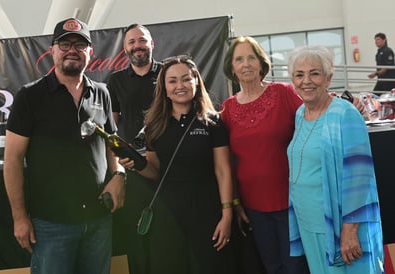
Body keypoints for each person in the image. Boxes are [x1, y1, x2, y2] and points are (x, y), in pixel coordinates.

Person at [3, 18, 125, 274]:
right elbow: (12, 159)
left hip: (98, 220)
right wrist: (19, 217)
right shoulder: (30, 96)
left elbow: (111, 144)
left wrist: (118, 175)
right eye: (65, 44)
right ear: (53, 50)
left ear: (90, 53)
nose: (72, 50)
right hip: (51, 225)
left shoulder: (101, 92)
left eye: (80, 45)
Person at [120, 56, 236, 274]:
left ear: (196, 82)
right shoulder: (154, 125)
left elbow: (223, 171)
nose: (180, 86)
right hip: (168, 216)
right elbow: (155, 172)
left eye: (186, 79)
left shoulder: (213, 122)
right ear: (164, 87)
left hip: (207, 214)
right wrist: (136, 164)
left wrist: (227, 215)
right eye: (172, 81)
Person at [287, 45, 384, 273]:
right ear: (293, 80)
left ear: (328, 78)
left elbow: (361, 178)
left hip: (341, 226)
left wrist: (349, 232)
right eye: (300, 75)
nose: (306, 81)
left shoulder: (345, 113)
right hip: (309, 223)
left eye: (315, 73)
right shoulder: (300, 113)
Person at [221, 36, 310, 274]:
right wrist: (236, 201)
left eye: (251, 57)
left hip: (293, 201)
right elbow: (228, 161)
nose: (246, 64)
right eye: (239, 59)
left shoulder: (283, 93)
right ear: (231, 67)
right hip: (254, 208)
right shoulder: (228, 109)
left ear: (261, 63)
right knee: (272, 267)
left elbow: (313, 122)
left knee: (296, 268)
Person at [106, 23, 162, 274]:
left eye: (142, 40)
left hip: (167, 164)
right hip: (131, 167)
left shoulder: (168, 73)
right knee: (136, 235)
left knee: (167, 230)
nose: (137, 46)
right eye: (131, 42)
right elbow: (111, 126)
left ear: (151, 44)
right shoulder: (116, 80)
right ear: (125, 48)